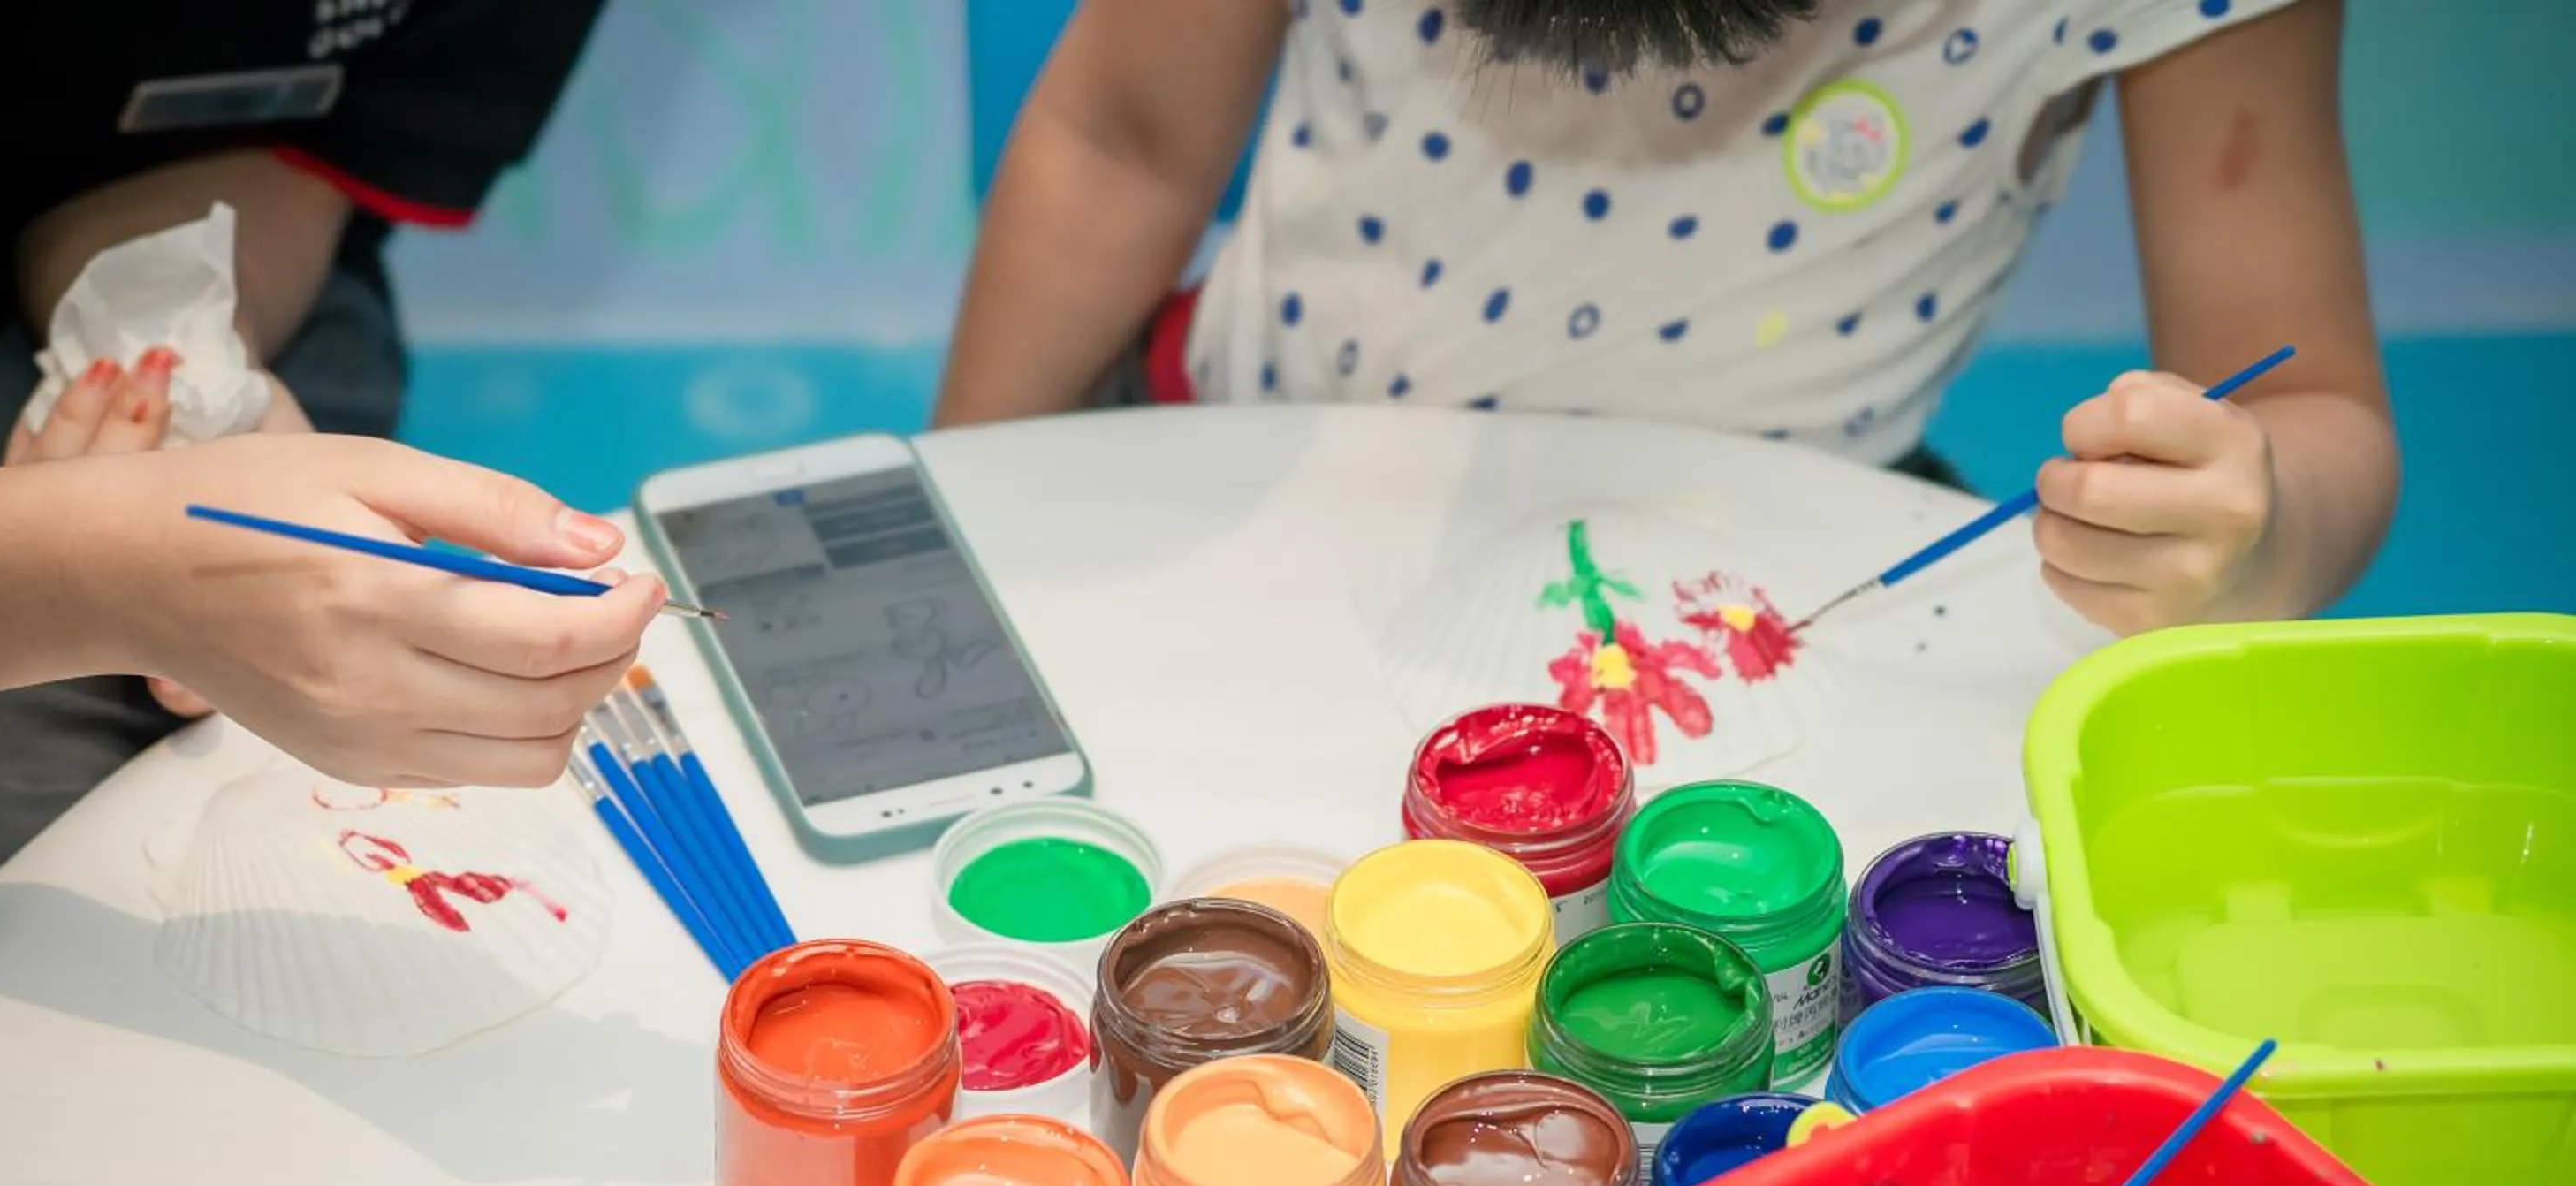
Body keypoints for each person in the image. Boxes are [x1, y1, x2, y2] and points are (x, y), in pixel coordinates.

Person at [936, 0, 2397, 635]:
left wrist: (2250, 528)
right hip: (1247, 450)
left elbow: (2314, 402)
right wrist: (933, 522)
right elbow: (1123, 139)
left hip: (1802, 597)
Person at [0, 0, 610, 914]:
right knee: (6, 868)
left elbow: (213, 154)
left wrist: (178, 341)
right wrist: (83, 571)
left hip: (135, 266)